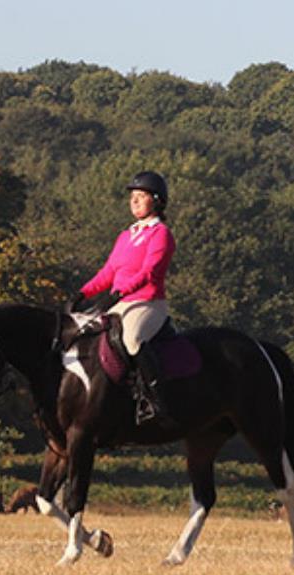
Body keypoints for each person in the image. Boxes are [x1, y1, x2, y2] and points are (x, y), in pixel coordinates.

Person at [76, 171, 178, 425]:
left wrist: (121, 293)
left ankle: (155, 400)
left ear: (156, 201)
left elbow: (150, 272)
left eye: (141, 196)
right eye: (132, 196)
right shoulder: (125, 236)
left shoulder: (160, 234)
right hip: (120, 301)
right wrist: (81, 293)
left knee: (132, 340)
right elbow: (108, 272)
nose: (134, 201)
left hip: (147, 303)